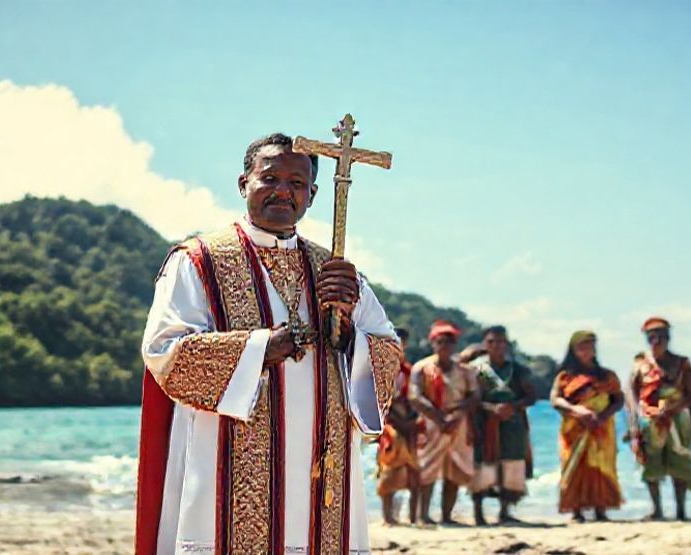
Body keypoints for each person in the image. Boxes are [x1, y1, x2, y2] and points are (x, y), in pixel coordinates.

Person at [135, 133, 402, 554]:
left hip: (321, 471)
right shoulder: (200, 260)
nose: (283, 191)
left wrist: (349, 334)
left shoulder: (334, 270)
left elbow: (386, 351)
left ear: (312, 195)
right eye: (270, 178)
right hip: (228, 464)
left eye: (296, 183)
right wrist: (259, 349)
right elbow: (165, 351)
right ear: (244, 183)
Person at [627, 317, 691, 521]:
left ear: (668, 338)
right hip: (649, 420)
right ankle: (657, 509)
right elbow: (632, 392)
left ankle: (681, 511)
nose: (657, 340)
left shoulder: (681, 363)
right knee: (651, 465)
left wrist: (680, 410)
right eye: (652, 337)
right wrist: (635, 419)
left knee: (680, 464)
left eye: (661, 336)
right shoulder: (640, 364)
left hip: (677, 419)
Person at [409, 320, 480, 525]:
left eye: (449, 342)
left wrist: (456, 415)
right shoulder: (421, 368)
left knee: (455, 469)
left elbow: (474, 396)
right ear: (433, 343)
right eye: (440, 342)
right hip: (432, 422)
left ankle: (447, 516)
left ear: (455, 345)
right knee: (427, 468)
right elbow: (415, 396)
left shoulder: (465, 370)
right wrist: (439, 418)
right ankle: (423, 515)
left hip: (458, 423)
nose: (444, 346)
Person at [550, 331, 624, 522]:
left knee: (601, 466)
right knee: (574, 466)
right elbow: (555, 399)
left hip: (601, 428)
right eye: (580, 347)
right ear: (573, 351)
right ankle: (576, 510)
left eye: (589, 346)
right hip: (574, 429)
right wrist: (576, 410)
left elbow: (618, 400)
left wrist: (602, 416)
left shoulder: (607, 376)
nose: (585, 350)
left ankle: (601, 510)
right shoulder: (565, 377)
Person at [468, 325, 536, 525]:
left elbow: (531, 396)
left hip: (513, 424)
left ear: (506, 344)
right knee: (482, 464)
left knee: (512, 463)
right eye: (491, 342)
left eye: (500, 341)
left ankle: (505, 511)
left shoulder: (518, 369)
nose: (496, 346)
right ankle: (478, 513)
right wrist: (490, 408)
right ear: (484, 344)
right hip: (485, 422)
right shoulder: (476, 369)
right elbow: (470, 398)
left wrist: (513, 407)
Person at [376, 327, 422, 525]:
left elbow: (419, 398)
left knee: (414, 469)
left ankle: (413, 517)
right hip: (390, 424)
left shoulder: (410, 371)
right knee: (389, 468)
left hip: (409, 422)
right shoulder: (380, 368)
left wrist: (412, 420)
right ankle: (387, 517)